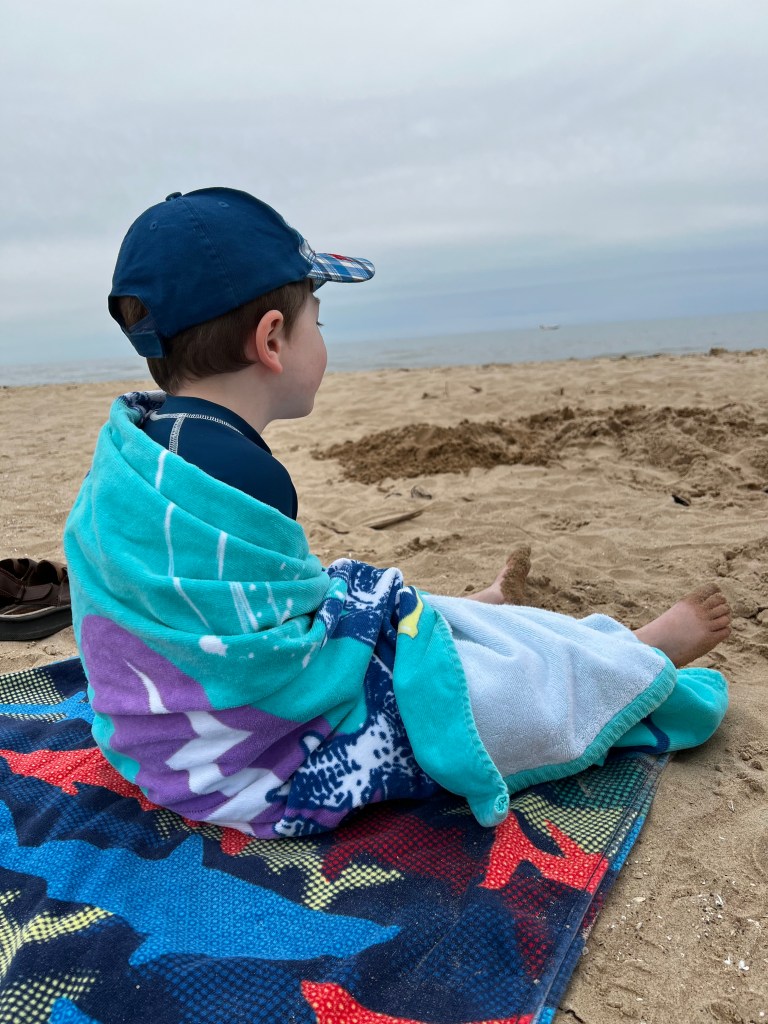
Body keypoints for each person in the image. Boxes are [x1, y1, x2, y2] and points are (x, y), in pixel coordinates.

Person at [63, 188, 731, 838]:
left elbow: (196, 610)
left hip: (150, 745)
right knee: (464, 695)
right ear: (272, 341)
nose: (322, 338)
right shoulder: (245, 474)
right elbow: (284, 665)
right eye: (318, 322)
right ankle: (631, 661)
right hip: (251, 760)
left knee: (393, 608)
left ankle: (489, 616)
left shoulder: (138, 451)